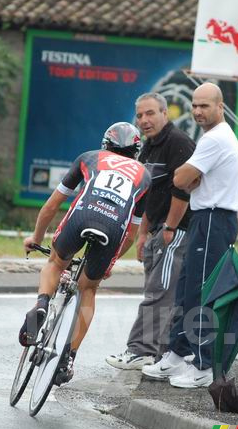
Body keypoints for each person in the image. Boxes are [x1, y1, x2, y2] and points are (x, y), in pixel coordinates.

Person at [19, 122, 150, 385]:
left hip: (82, 217)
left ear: (106, 145)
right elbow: (131, 234)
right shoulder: (145, 176)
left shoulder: (89, 158)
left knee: (56, 262)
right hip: (113, 229)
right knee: (88, 289)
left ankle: (42, 305)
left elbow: (51, 206)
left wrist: (35, 238)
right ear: (136, 151)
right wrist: (108, 263)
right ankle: (68, 357)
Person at [141, 82, 238, 388]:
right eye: (195, 105)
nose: (197, 111)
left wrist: (188, 176)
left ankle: (204, 365)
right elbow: (186, 180)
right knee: (187, 290)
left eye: (205, 106)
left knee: (202, 293)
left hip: (214, 218)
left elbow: (181, 178)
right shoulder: (211, 136)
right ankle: (176, 353)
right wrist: (189, 177)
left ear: (220, 107)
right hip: (204, 218)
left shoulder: (216, 138)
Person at [106, 93, 195, 370]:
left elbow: (184, 189)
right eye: (140, 115)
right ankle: (161, 354)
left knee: (160, 293)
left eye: (150, 113)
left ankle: (140, 350)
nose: (144, 120)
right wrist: (143, 234)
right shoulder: (148, 148)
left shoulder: (178, 142)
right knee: (159, 292)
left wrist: (169, 228)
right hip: (157, 229)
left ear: (165, 113)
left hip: (176, 231)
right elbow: (145, 195)